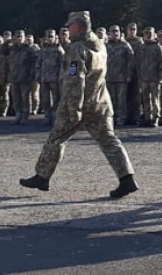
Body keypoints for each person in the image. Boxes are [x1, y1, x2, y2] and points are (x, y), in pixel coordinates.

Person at [20, 11, 138, 198]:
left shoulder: (77, 49)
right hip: (101, 102)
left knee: (56, 138)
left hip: (81, 103)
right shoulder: (100, 45)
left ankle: (42, 176)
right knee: (109, 141)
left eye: (71, 25)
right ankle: (127, 179)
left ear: (79, 26)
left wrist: (74, 109)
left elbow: (76, 81)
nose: (68, 28)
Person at [105, 25, 135, 127]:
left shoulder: (125, 45)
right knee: (110, 100)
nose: (115, 33)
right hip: (109, 78)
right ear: (109, 34)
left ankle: (121, 119)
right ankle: (111, 119)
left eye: (117, 31)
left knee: (121, 100)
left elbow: (131, 61)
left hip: (122, 78)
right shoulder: (105, 45)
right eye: (113, 31)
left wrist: (128, 74)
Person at [5, 30, 36, 125]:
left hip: (25, 77)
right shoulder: (12, 49)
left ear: (24, 38)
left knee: (25, 97)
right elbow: (2, 51)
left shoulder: (29, 49)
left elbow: (33, 63)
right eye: (17, 37)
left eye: (20, 37)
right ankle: (18, 114)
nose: (19, 39)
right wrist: (7, 41)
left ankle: (25, 115)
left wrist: (31, 75)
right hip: (14, 76)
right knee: (16, 97)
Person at [137, 27, 162, 127]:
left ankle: (155, 118)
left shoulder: (158, 47)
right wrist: (139, 77)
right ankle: (147, 117)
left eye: (150, 34)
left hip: (154, 78)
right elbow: (138, 63)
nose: (148, 35)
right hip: (144, 78)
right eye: (146, 34)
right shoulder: (141, 47)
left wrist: (160, 78)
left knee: (155, 99)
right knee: (145, 99)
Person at [36, 29, 64, 125]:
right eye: (48, 37)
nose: (49, 38)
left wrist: (61, 77)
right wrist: (38, 76)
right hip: (44, 78)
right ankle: (47, 116)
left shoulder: (59, 50)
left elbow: (62, 65)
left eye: (51, 36)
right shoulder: (43, 50)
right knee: (45, 99)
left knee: (56, 99)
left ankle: (55, 117)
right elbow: (38, 64)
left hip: (55, 78)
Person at [125, 23, 144, 125]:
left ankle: (136, 117)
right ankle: (128, 116)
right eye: (130, 29)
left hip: (137, 72)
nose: (132, 31)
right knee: (126, 96)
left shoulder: (140, 42)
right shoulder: (124, 42)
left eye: (134, 29)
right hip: (125, 73)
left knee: (136, 96)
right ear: (127, 30)